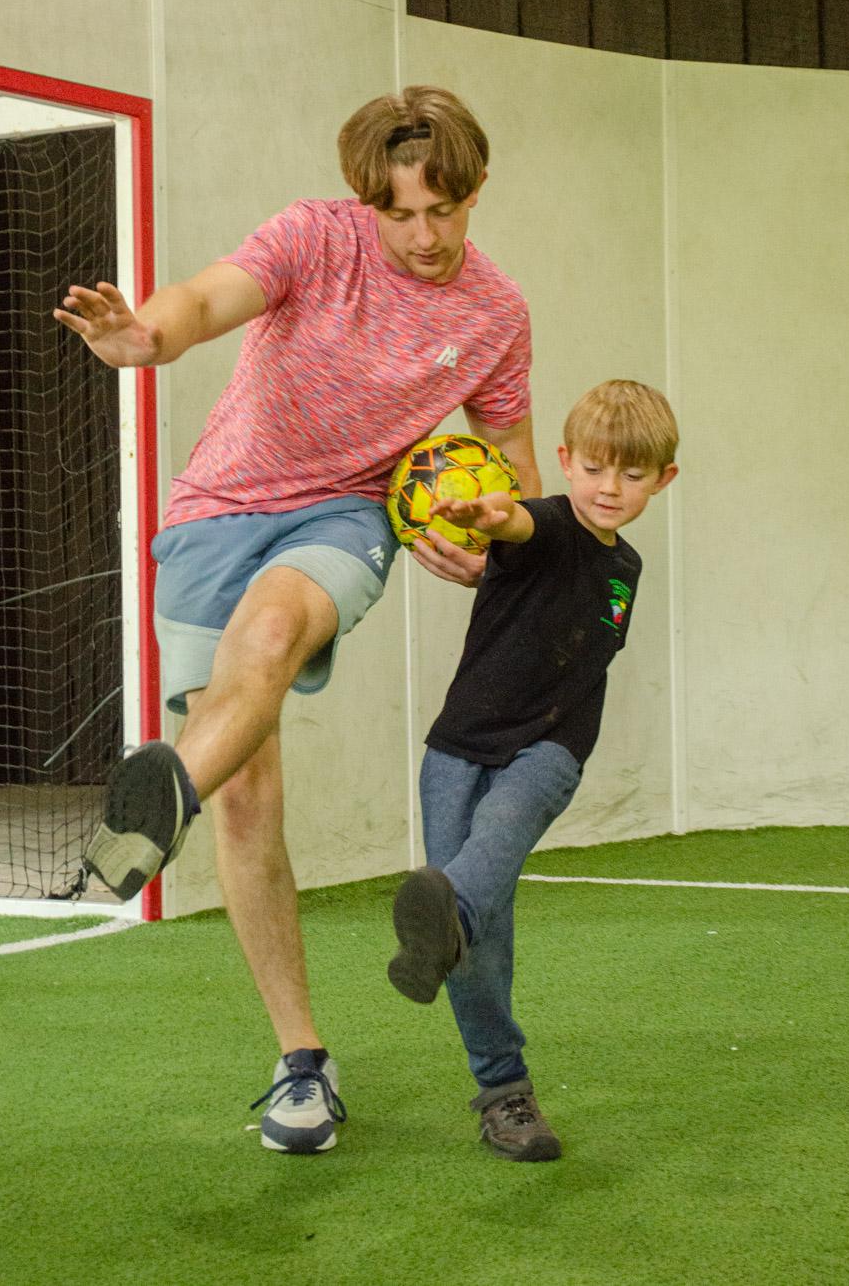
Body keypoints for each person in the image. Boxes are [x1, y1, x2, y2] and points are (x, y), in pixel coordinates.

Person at [53, 86, 540, 1155]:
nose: (423, 236)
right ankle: (303, 1063)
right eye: (399, 214)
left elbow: (514, 466)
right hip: (215, 510)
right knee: (248, 798)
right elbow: (205, 298)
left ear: (474, 193)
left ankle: (166, 791)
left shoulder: (494, 314)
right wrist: (144, 337)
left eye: (444, 212)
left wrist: (502, 537)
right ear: (367, 201)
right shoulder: (315, 237)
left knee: (271, 635)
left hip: (346, 515)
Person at [386, 379, 678, 1161]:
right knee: (474, 932)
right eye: (595, 468)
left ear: (663, 480)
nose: (610, 487)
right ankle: (504, 1093)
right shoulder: (541, 523)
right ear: (564, 461)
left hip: (548, 750)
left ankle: (447, 921)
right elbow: (519, 523)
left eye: (632, 474)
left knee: (487, 856)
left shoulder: (627, 567)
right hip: (457, 747)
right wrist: (492, 517)